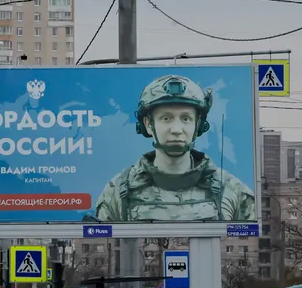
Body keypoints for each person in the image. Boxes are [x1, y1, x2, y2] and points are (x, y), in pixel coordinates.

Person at [92, 75, 256, 222]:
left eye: (186, 118)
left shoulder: (231, 190)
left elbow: (251, 241)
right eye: (166, 118)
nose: (176, 129)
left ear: (197, 124)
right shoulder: (119, 191)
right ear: (148, 125)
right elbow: (103, 243)